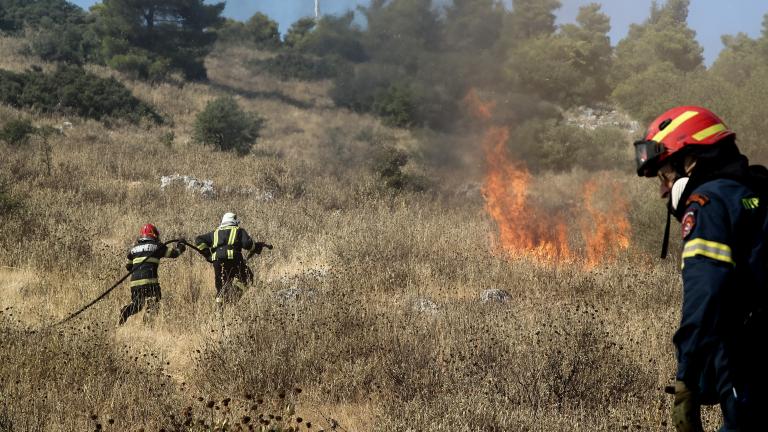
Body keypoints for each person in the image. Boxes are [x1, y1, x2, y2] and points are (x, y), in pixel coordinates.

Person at [635, 106, 768, 432]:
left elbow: (705, 293)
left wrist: (687, 377)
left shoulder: (707, 204)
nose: (663, 190)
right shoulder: (757, 191)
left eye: (665, 175)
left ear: (691, 160)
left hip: (751, 354)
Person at [194, 212, 270, 306]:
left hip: (217, 262)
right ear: (234, 221)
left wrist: (208, 255)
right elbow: (247, 244)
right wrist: (256, 247)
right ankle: (233, 299)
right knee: (247, 277)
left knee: (221, 285)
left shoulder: (215, 233)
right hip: (234, 260)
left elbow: (199, 240)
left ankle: (220, 308)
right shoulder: (239, 231)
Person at [119, 223, 185, 325]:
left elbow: (128, 267)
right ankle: (147, 325)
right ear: (154, 234)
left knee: (137, 305)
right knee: (154, 303)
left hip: (135, 283)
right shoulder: (158, 246)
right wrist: (181, 245)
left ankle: (125, 311)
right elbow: (175, 253)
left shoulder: (133, 249)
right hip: (150, 282)